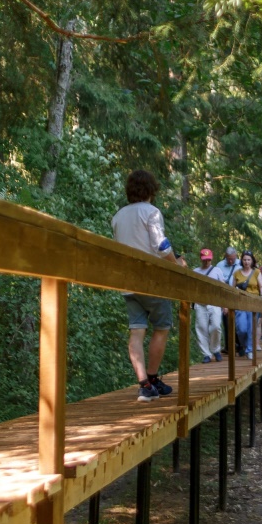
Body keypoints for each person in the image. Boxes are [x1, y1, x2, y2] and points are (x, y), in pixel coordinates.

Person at [111, 169, 187, 402]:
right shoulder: (151, 212)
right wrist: (178, 265)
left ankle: (144, 384)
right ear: (151, 190)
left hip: (127, 282)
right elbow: (161, 246)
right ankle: (152, 378)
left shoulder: (118, 216)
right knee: (162, 327)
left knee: (136, 330)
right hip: (152, 281)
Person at [232, 251, 262, 359]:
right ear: (241, 261)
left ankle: (249, 349)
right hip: (240, 303)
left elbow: (261, 286)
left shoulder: (257, 272)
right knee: (241, 328)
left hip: (253, 303)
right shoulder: (237, 273)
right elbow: (232, 289)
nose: (246, 262)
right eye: (244, 260)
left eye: (248, 260)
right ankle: (244, 345)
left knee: (251, 328)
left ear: (252, 261)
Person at [193, 248, 225, 363]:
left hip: (214, 302)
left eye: (208, 260)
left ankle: (215, 349)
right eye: (204, 260)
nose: (206, 262)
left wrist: (224, 305)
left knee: (216, 326)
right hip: (200, 304)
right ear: (201, 259)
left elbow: (223, 288)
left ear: (211, 259)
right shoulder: (195, 271)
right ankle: (206, 354)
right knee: (201, 328)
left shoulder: (217, 271)